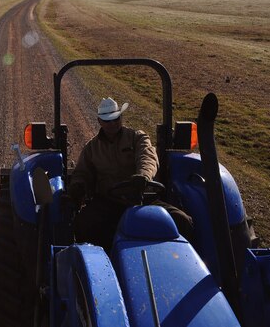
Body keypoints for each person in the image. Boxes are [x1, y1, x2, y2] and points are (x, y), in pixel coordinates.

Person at [68, 97, 193, 251]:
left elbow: (147, 158)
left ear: (121, 117)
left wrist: (144, 176)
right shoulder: (92, 148)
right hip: (108, 202)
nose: (113, 123)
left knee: (182, 220)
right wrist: (78, 186)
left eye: (116, 119)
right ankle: (99, 262)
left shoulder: (137, 137)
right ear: (99, 121)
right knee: (81, 224)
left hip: (142, 199)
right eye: (107, 121)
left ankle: (180, 261)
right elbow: (82, 173)